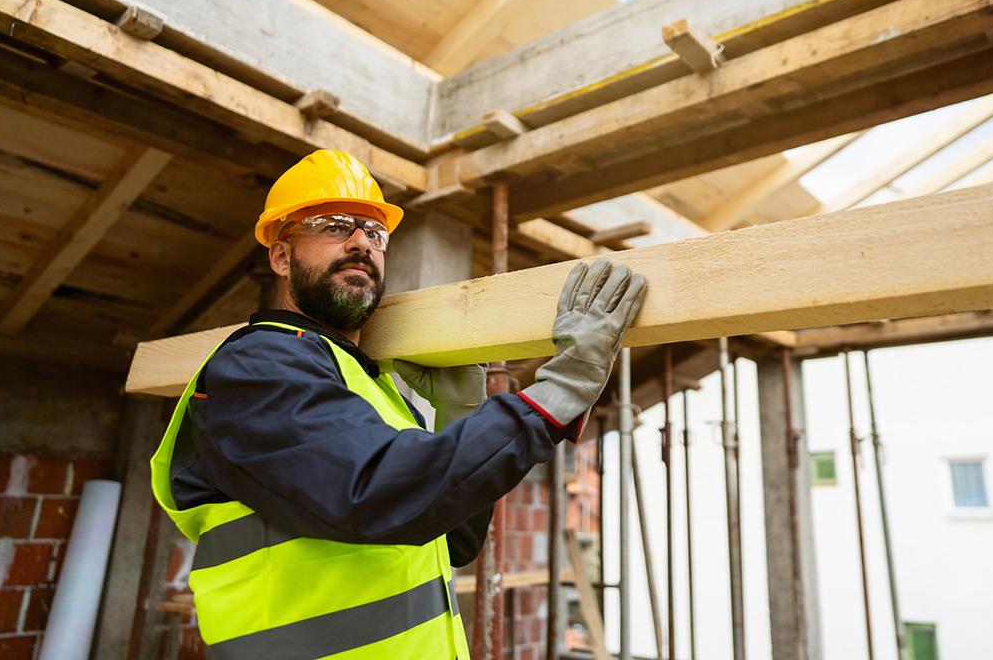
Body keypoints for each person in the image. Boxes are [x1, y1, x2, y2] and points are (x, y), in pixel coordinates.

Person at [149, 149, 647, 659]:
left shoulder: (365, 387)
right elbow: (375, 494)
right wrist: (557, 394)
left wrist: (459, 417)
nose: (361, 241)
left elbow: (450, 540)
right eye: (334, 225)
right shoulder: (259, 367)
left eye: (374, 233)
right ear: (281, 256)